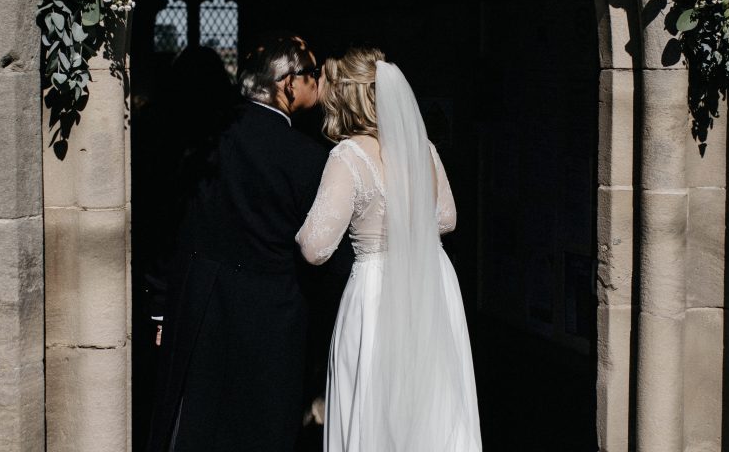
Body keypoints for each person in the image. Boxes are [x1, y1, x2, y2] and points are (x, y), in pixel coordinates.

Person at [145, 35, 329, 452]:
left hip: (202, 302)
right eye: (311, 74)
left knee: (200, 424)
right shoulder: (308, 157)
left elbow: (173, 222)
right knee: (260, 426)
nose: (316, 83)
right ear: (287, 83)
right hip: (273, 313)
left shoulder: (208, 137)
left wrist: (160, 305)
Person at [296, 48, 482, 452]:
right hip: (432, 281)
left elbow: (315, 247)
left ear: (346, 97)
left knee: (376, 401)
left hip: (377, 290)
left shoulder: (349, 156)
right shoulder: (424, 149)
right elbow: (447, 218)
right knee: (431, 396)